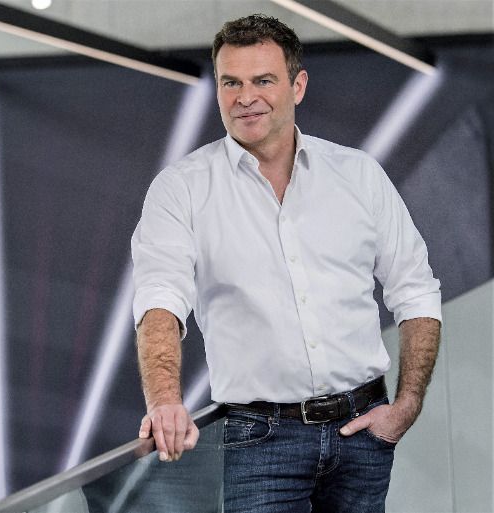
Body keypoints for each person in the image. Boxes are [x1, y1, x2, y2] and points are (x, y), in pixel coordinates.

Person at [131, 13, 442, 513]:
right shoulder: (181, 188)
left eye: (263, 80)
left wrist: (406, 406)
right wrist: (165, 400)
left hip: (363, 430)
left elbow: (416, 289)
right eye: (230, 82)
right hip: (260, 441)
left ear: (297, 86)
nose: (244, 97)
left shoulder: (358, 175)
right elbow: (159, 299)